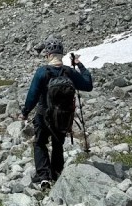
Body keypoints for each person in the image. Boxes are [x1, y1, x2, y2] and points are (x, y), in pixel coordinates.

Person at [21, 35, 93, 187]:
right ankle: (56, 173)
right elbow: (88, 85)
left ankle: (43, 176)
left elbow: (32, 95)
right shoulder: (69, 72)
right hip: (62, 117)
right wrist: (79, 65)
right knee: (58, 144)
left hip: (43, 115)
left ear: (47, 54)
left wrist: (25, 112)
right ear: (61, 54)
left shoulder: (42, 72)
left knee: (40, 143)